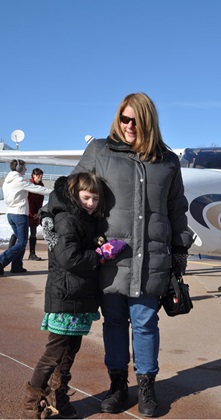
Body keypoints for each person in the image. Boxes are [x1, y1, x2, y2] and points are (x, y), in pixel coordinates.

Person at [72, 92, 193, 417]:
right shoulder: (100, 151)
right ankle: (117, 385)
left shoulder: (168, 160)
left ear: (148, 121)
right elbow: (72, 191)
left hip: (152, 258)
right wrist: (62, 227)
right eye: (124, 118)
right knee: (113, 322)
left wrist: (180, 248)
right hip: (110, 257)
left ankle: (146, 387)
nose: (129, 125)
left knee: (145, 323)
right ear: (118, 119)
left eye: (136, 120)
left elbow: (176, 207)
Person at [23, 172, 127, 419]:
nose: (91, 203)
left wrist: (99, 243)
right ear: (75, 195)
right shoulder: (68, 219)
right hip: (65, 297)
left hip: (80, 299)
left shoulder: (87, 219)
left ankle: (58, 397)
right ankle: (30, 404)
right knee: (53, 355)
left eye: (95, 198)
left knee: (68, 356)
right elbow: (69, 258)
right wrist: (101, 255)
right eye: (86, 197)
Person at [0, 160, 52, 276]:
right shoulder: (19, 181)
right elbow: (38, 189)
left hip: (10, 214)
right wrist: (54, 192)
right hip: (20, 215)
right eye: (24, 167)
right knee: (22, 242)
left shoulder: (7, 181)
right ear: (18, 168)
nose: (26, 169)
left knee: (20, 241)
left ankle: (17, 267)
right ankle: (1, 261)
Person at [28, 168, 45, 261]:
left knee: (33, 233)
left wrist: (38, 212)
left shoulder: (41, 186)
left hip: (35, 213)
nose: (40, 178)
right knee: (18, 234)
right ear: (33, 175)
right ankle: (11, 251)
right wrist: (31, 213)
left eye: (41, 176)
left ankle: (32, 253)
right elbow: (28, 200)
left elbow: (40, 201)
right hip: (26, 212)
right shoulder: (29, 185)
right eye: (38, 176)